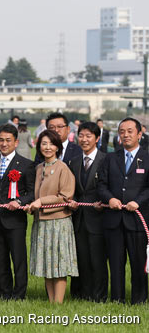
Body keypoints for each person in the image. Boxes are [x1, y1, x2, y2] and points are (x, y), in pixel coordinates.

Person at [98, 117, 149, 304]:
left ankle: (139, 299)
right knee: (116, 264)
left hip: (137, 220)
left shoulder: (147, 157)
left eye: (130, 131)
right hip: (114, 220)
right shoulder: (111, 158)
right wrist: (109, 198)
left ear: (139, 134)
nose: (125, 135)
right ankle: (117, 299)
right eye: (122, 131)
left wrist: (138, 201)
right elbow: (101, 184)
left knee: (138, 263)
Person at [25, 129, 77, 304]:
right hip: (41, 222)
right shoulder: (39, 168)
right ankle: (51, 302)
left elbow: (65, 197)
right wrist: (31, 206)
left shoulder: (63, 168)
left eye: (51, 144)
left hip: (59, 222)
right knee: (46, 263)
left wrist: (41, 201)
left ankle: (58, 304)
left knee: (59, 264)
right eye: (44, 143)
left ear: (58, 147)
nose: (47, 147)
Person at [0, 124, 35, 300]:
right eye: (1, 140)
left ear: (16, 142)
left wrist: (20, 201)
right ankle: (3, 291)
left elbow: (32, 192)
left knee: (18, 259)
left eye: (8, 140)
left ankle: (19, 293)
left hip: (15, 220)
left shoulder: (26, 164)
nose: (4, 144)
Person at [68, 122, 108, 302]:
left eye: (88, 136)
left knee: (98, 260)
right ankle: (83, 295)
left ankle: (99, 296)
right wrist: (71, 200)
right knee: (81, 258)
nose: (84, 139)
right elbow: (72, 188)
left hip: (99, 218)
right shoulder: (73, 161)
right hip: (78, 218)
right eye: (81, 135)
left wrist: (105, 202)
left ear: (97, 138)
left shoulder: (106, 159)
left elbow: (109, 186)